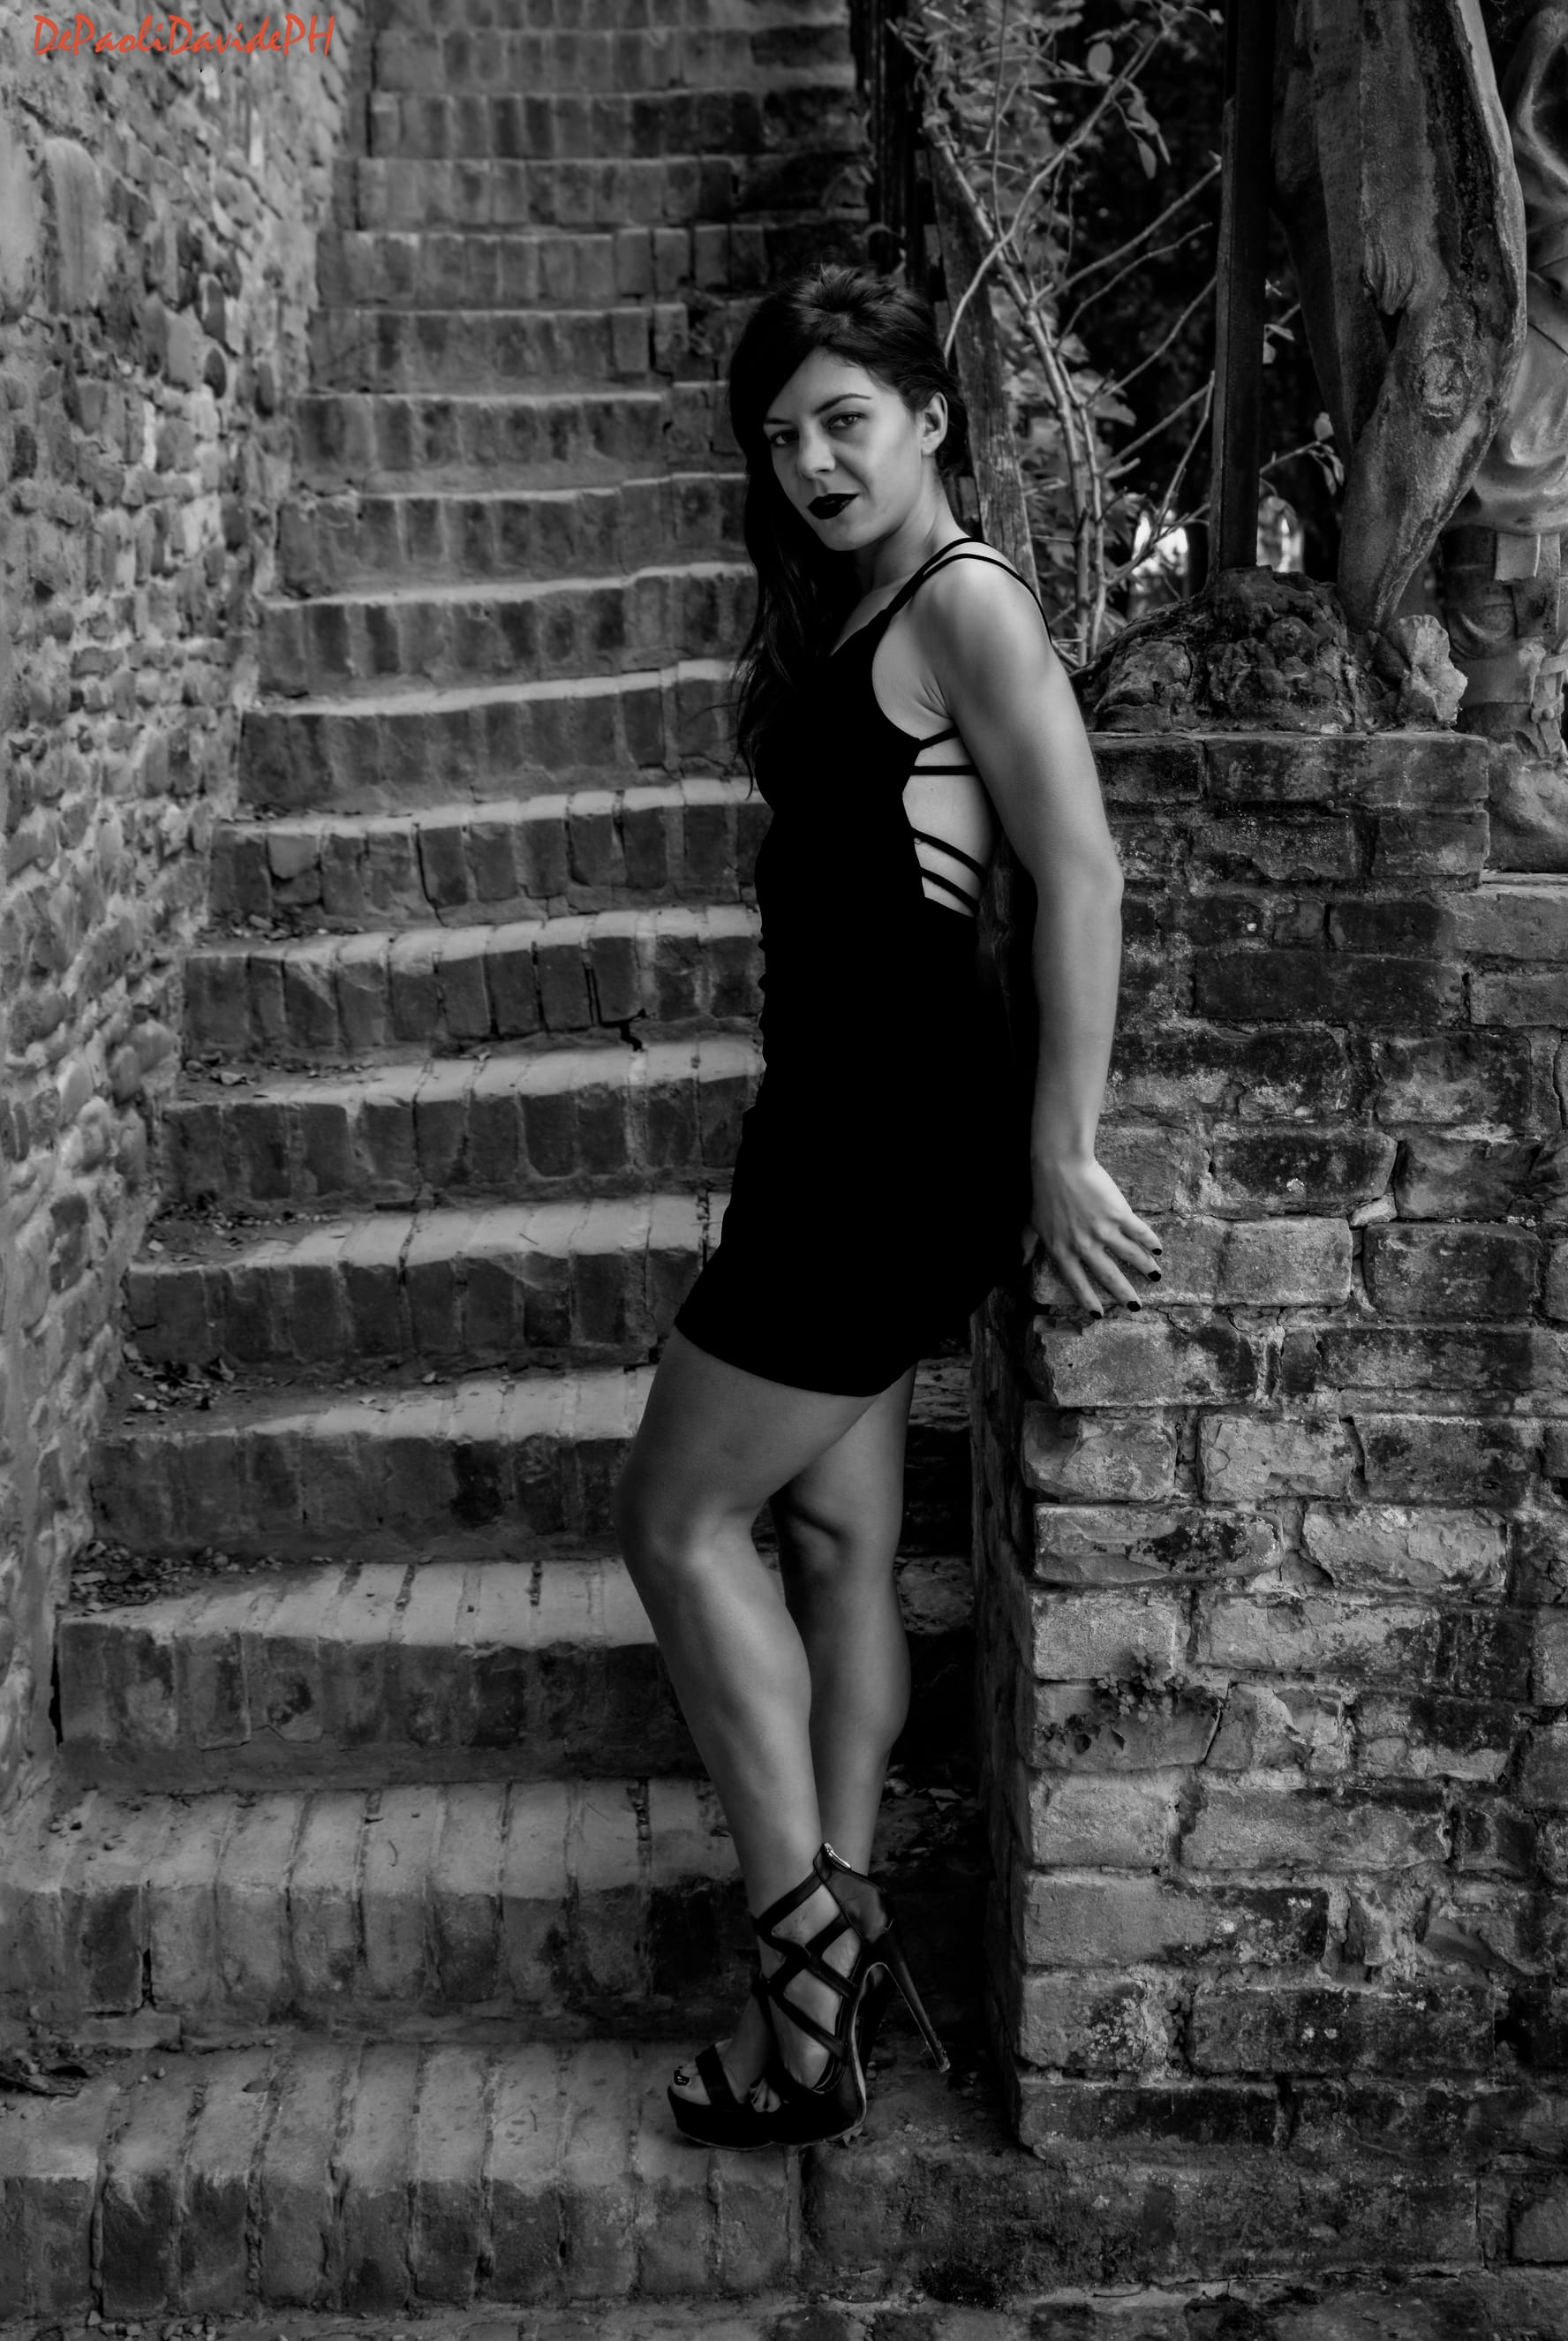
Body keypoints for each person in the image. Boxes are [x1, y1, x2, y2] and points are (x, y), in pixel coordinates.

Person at [612, 263, 1161, 2151]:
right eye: (781, 436)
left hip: (890, 1153)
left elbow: (1081, 868)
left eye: (847, 419)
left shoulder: (964, 604)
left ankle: (802, 1959)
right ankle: (835, 1949)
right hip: (833, 1132)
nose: (813, 461)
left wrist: (1060, 1148)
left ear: (931, 415)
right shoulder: (859, 605)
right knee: (839, 1540)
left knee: (675, 1519)